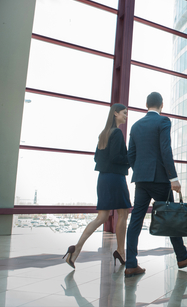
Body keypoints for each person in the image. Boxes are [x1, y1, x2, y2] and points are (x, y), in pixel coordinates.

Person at [124, 92, 187, 277]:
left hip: (141, 180)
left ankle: (130, 264)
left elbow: (131, 155)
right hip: (160, 179)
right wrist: (173, 178)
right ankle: (182, 256)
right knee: (171, 216)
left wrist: (141, 171)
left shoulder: (136, 126)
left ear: (146, 104)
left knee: (135, 220)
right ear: (162, 104)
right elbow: (165, 149)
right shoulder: (163, 121)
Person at [63, 104, 131, 269]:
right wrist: (131, 158)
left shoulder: (103, 134)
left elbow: (96, 159)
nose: (126, 116)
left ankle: (76, 248)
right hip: (115, 178)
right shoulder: (117, 133)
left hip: (103, 179)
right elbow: (116, 157)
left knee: (101, 217)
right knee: (123, 214)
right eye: (124, 113)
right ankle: (121, 252)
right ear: (115, 113)